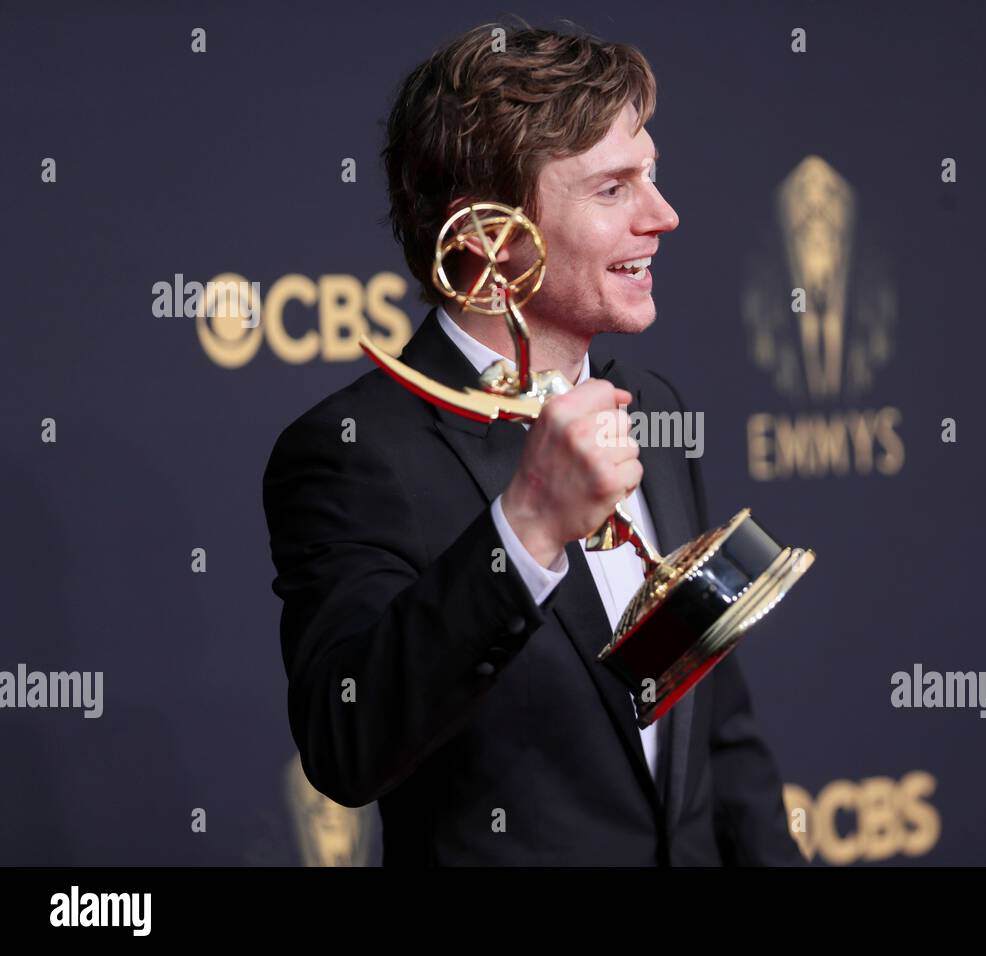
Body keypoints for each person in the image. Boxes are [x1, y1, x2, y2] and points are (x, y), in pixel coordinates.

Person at [262, 23, 803, 866]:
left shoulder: (651, 407)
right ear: (482, 235)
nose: (663, 217)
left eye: (650, 177)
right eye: (613, 191)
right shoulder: (355, 450)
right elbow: (346, 741)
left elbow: (720, 734)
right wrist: (525, 529)